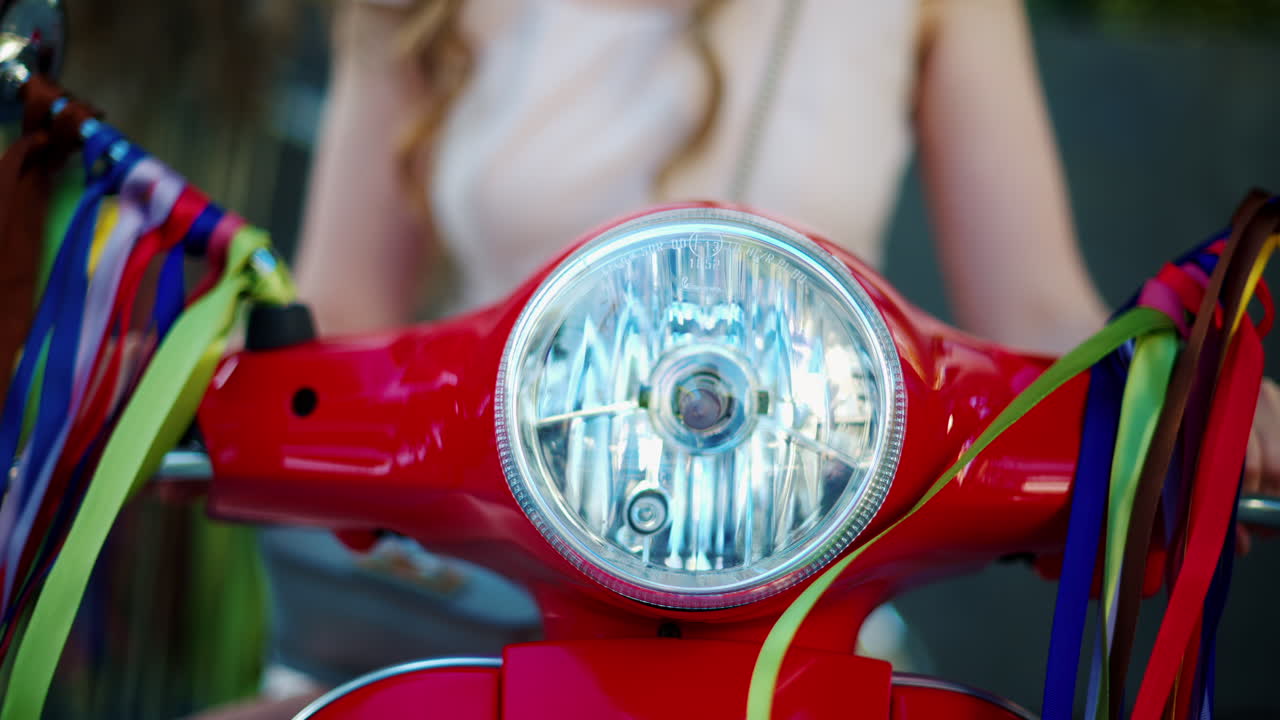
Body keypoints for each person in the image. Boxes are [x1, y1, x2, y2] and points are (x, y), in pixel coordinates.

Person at [210, 0, 1280, 716]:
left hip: (801, 592)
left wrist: (1177, 400)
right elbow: (344, 312)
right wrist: (188, 377)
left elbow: (1038, 309)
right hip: (461, 583)